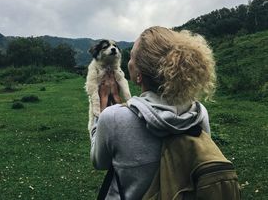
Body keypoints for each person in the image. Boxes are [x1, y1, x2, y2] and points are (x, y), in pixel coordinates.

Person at [90, 26, 216, 199]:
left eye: (132, 56)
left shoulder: (113, 117)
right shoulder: (198, 114)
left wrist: (100, 112)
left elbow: (99, 162)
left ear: (138, 75)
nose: (128, 60)